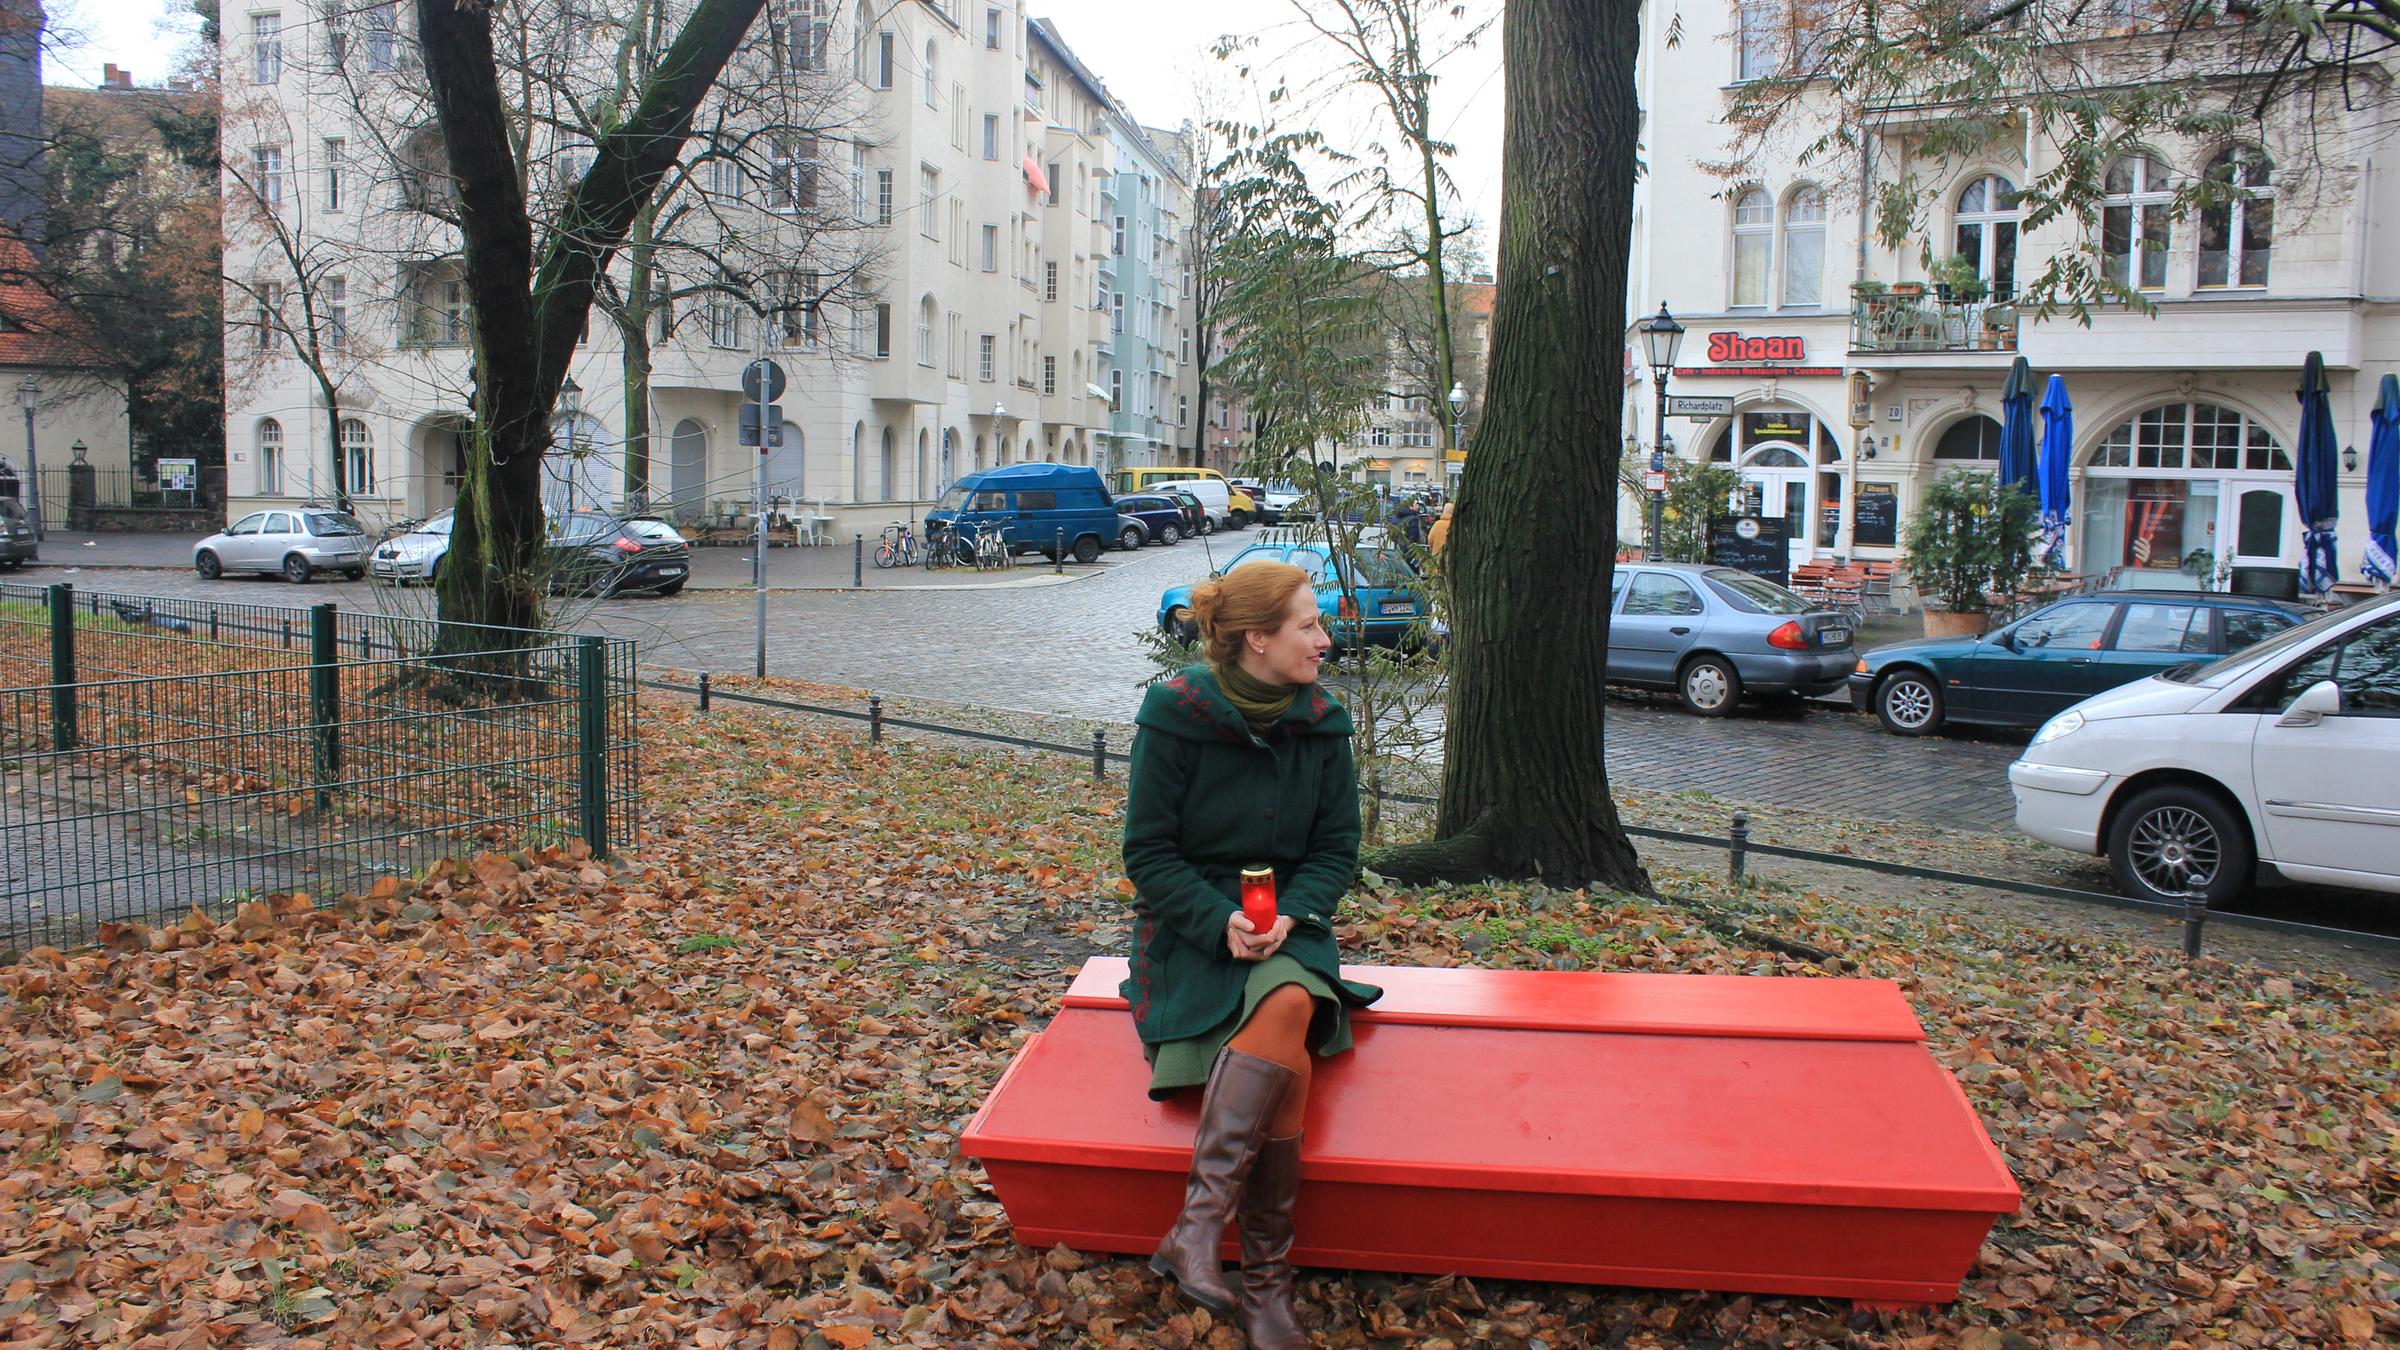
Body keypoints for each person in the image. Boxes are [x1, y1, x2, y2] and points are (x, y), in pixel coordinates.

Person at [1121, 560, 1380, 1349]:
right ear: (1256, 638)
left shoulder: (1323, 723)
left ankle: (1198, 1236)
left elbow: (1338, 851)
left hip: (1291, 928)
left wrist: (1295, 913)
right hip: (1190, 931)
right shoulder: (1174, 714)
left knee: (1292, 994)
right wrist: (1219, 921)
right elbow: (1149, 853)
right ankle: (1266, 1286)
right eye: (1308, 626)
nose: (1325, 641)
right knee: (1292, 1013)